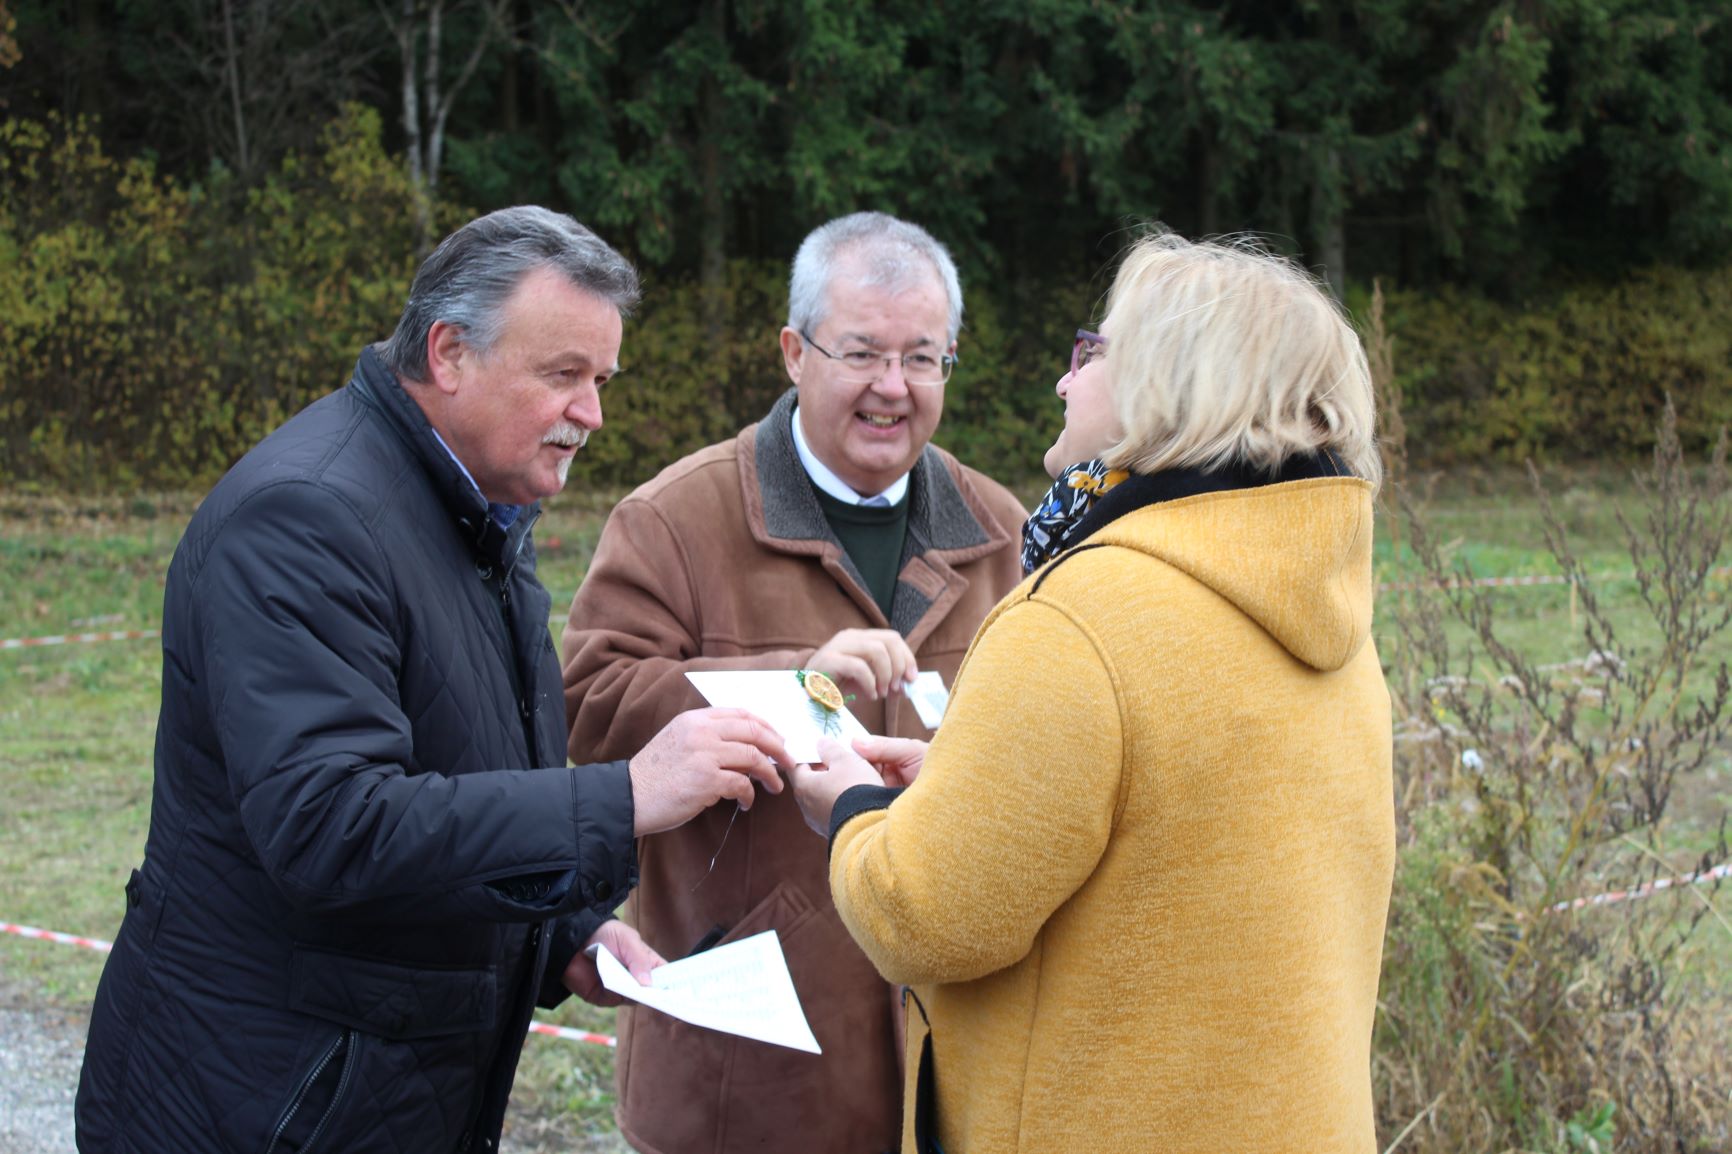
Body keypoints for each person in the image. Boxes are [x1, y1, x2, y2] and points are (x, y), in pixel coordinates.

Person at [74, 206, 791, 1154]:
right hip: (262, 1100)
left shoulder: (475, 505)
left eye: (602, 379)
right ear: (449, 353)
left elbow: (462, 754)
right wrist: (626, 795)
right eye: (563, 375)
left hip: (379, 1084)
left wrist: (568, 927)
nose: (593, 414)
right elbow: (332, 827)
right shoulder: (307, 518)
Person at [789, 231, 1397, 1153]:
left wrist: (853, 810)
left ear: (1169, 388)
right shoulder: (1325, 611)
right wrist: (966, 786)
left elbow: (928, 916)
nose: (1067, 382)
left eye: (1093, 353)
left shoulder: (1078, 616)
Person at [561, 211, 1028, 1154]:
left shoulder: (999, 532)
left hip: (953, 1067)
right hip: (746, 1070)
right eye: (861, 353)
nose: (890, 389)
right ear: (793, 352)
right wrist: (785, 683)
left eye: (922, 359)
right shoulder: (675, 519)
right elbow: (584, 715)